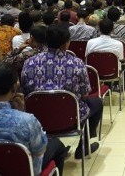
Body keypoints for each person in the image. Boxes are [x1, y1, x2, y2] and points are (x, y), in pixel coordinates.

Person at [0, 62, 68, 176]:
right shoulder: (27, 121)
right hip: (25, 172)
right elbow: (39, 152)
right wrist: (22, 113)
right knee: (56, 145)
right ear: (14, 88)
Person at [21, 25, 103, 159]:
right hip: (70, 116)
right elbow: (85, 94)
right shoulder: (77, 63)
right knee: (96, 103)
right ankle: (83, 146)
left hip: (37, 115)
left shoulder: (29, 62)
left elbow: (25, 91)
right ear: (66, 43)